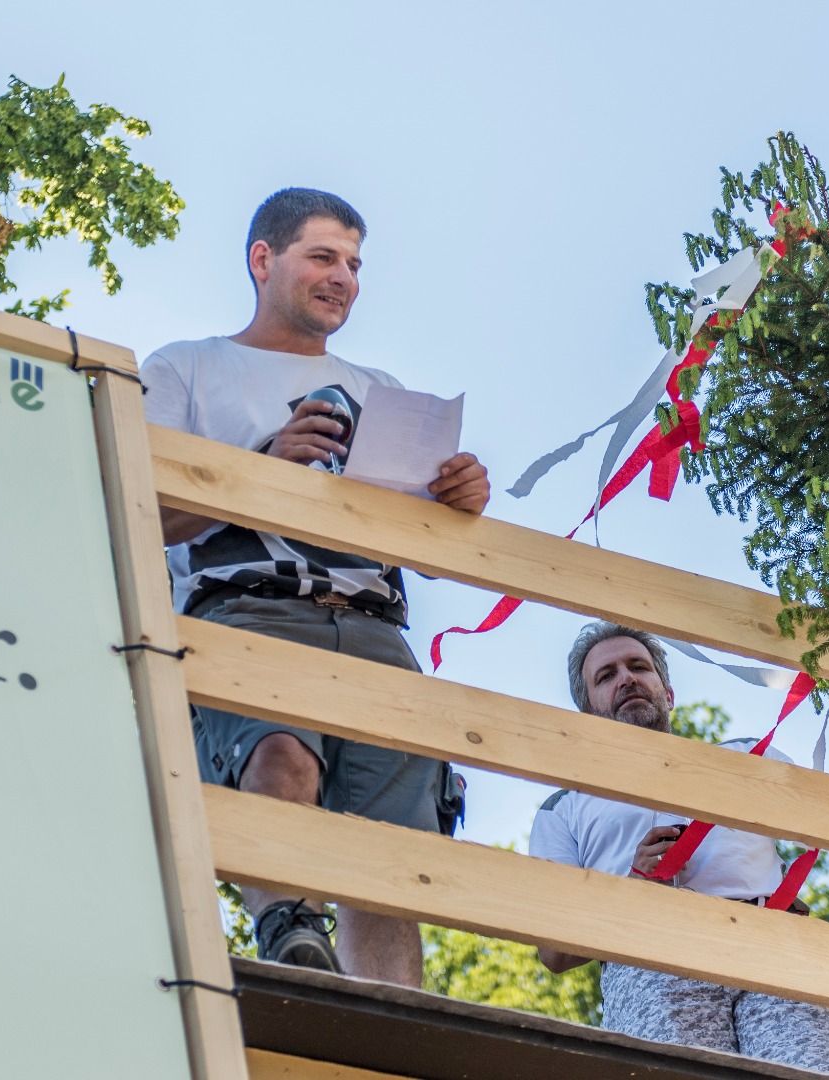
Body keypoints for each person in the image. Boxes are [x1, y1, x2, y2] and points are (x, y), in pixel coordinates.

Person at [140, 188, 490, 986]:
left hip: (375, 625)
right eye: (324, 256)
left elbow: (426, 550)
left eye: (355, 264)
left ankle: (393, 1013)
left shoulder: (379, 384)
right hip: (248, 608)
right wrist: (262, 465)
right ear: (263, 259)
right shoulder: (186, 367)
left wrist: (457, 502)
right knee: (279, 756)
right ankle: (291, 940)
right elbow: (138, 511)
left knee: (393, 842)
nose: (344, 278)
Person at [529, 622, 829, 1077]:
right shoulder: (565, 807)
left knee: (818, 1071)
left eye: (638, 667)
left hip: (773, 945)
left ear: (667, 694)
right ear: (588, 711)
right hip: (652, 958)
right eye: (606, 676)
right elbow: (553, 952)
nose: (627, 678)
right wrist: (630, 886)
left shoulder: (746, 758)